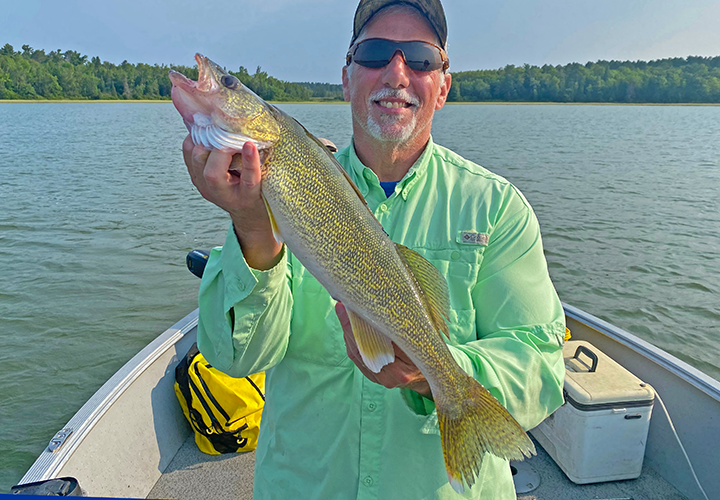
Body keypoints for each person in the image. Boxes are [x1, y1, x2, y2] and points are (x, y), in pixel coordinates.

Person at [182, 0, 566, 498]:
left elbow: (540, 364)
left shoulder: (496, 208)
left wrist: (438, 376)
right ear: (346, 78)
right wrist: (251, 226)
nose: (397, 72)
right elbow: (238, 359)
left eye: (421, 58)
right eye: (375, 53)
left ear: (443, 86)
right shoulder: (273, 185)